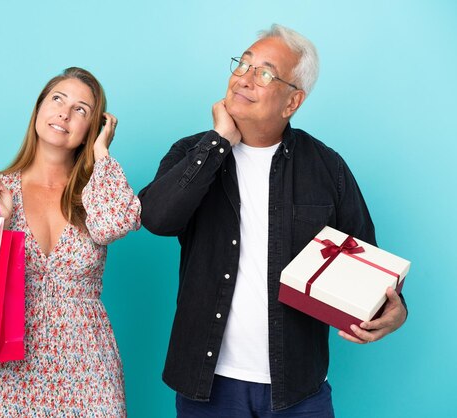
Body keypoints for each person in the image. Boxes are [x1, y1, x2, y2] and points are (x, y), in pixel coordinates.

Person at [138, 24, 407, 417]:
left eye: (264, 72)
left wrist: (394, 309)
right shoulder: (192, 152)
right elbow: (157, 219)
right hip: (206, 386)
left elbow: (368, 265)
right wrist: (217, 142)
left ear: (291, 102)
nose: (244, 78)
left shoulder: (326, 168)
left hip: (298, 389)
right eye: (242, 64)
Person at [0, 67, 140, 417]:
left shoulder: (94, 192)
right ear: (39, 108)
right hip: (2, 367)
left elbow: (115, 224)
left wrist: (101, 152)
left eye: (81, 110)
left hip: (87, 369)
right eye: (58, 99)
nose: (65, 112)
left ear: (92, 127)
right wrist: (2, 221)